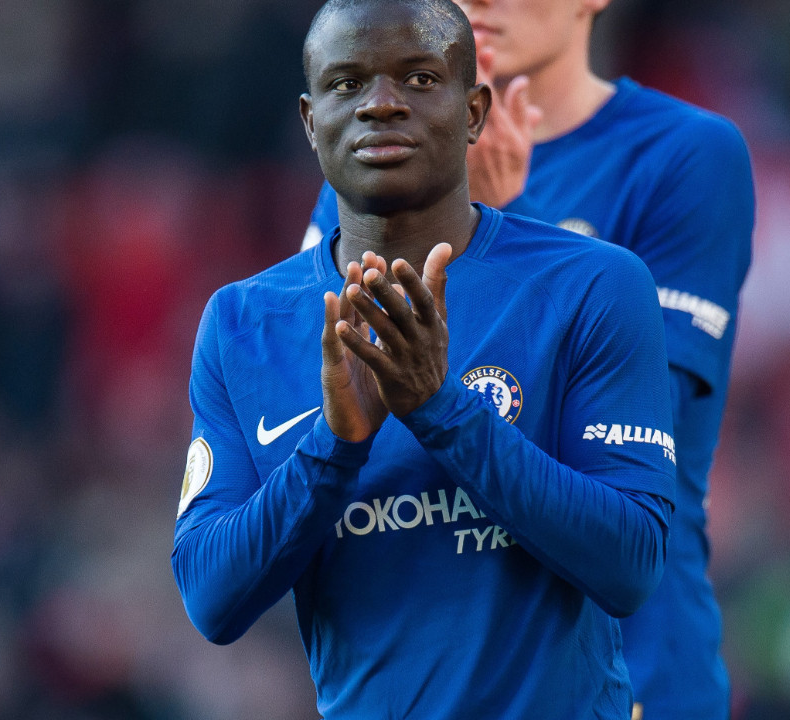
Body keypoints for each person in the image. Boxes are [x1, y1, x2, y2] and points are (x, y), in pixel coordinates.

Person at [172, 0, 679, 717]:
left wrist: (442, 411)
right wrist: (335, 446)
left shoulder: (592, 285)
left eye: (417, 78)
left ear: (474, 111)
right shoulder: (242, 323)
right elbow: (211, 600)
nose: (380, 104)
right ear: (311, 123)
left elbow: (631, 565)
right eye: (346, 84)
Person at [305, 1, 754, 717]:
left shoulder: (682, 153)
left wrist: (494, 224)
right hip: (432, 669)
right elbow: (326, 405)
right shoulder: (372, 160)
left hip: (637, 664)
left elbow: (635, 417)